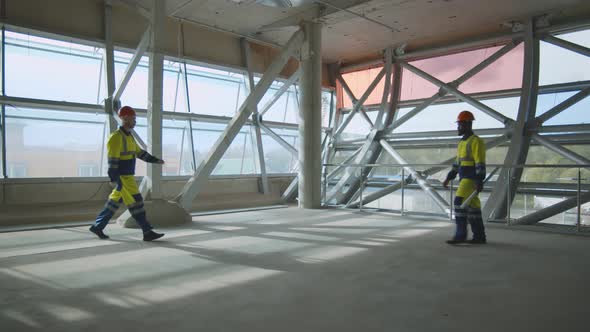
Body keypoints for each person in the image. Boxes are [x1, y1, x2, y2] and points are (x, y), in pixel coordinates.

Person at [90, 106, 165, 241]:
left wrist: (155, 160)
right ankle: (147, 231)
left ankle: (98, 226)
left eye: (135, 119)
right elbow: (112, 162)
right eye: (133, 118)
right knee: (136, 204)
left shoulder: (129, 138)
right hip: (122, 179)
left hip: (128, 178)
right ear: (124, 118)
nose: (135, 121)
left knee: (113, 204)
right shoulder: (116, 138)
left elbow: (140, 153)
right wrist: (115, 180)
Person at [442, 110, 487, 244]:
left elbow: (480, 162)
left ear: (468, 124)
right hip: (464, 178)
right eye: (458, 124)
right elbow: (457, 163)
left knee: (459, 204)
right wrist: (448, 178)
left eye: (460, 124)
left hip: (470, 178)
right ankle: (479, 237)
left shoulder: (476, 141)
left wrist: (479, 180)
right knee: (474, 210)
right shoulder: (462, 143)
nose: (458, 127)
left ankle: (460, 235)